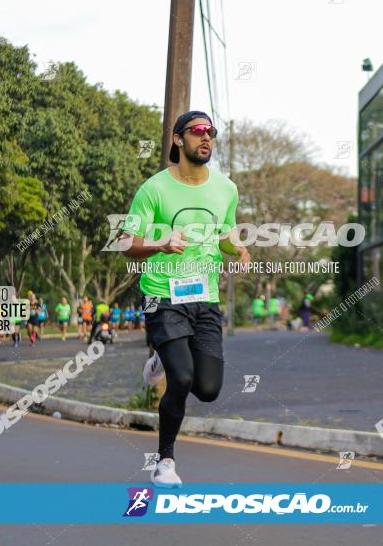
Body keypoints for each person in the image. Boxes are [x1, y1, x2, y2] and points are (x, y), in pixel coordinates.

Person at [118, 110, 250, 487]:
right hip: (162, 295)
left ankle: (161, 356)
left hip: (204, 297)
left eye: (211, 132)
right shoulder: (154, 189)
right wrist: (161, 243)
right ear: (178, 139)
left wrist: (236, 248)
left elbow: (223, 232)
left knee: (208, 389)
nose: (206, 137)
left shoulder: (226, 188)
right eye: (197, 131)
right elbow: (126, 242)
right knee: (183, 375)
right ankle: (165, 462)